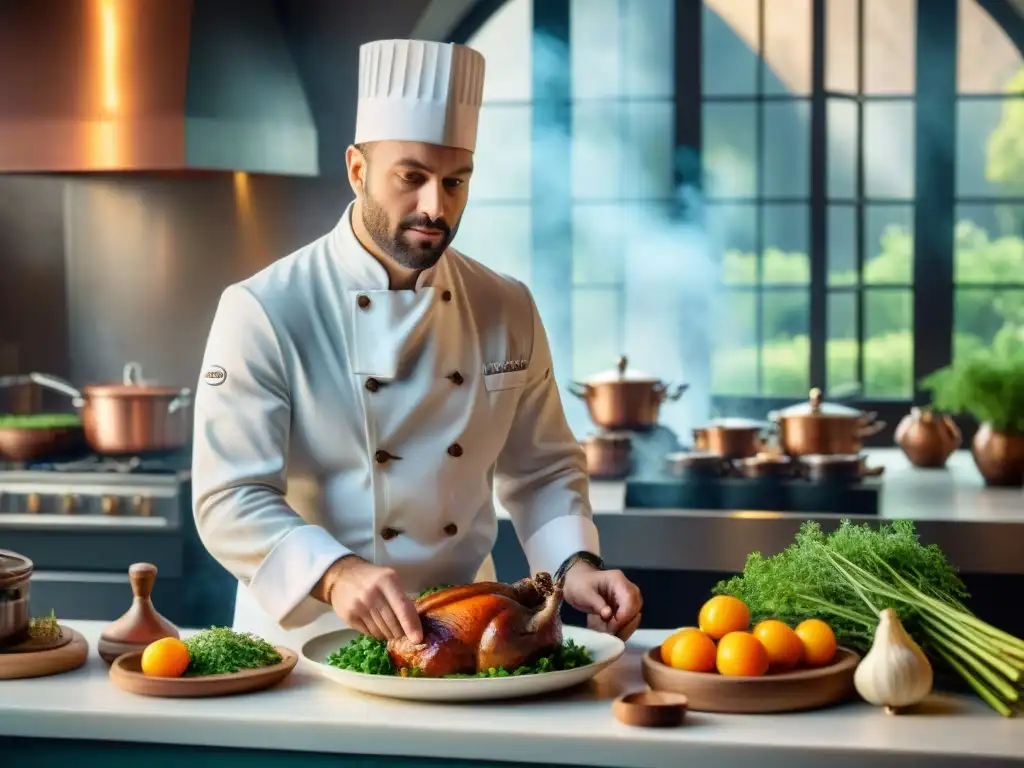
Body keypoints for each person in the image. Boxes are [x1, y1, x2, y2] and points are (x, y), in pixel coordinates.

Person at [190, 38, 642, 649]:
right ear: (357, 170)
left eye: (456, 182)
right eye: (413, 177)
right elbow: (230, 496)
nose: (436, 206)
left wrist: (574, 565)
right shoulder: (265, 309)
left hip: (468, 637)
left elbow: (543, 468)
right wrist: (334, 571)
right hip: (306, 644)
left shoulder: (507, 306)